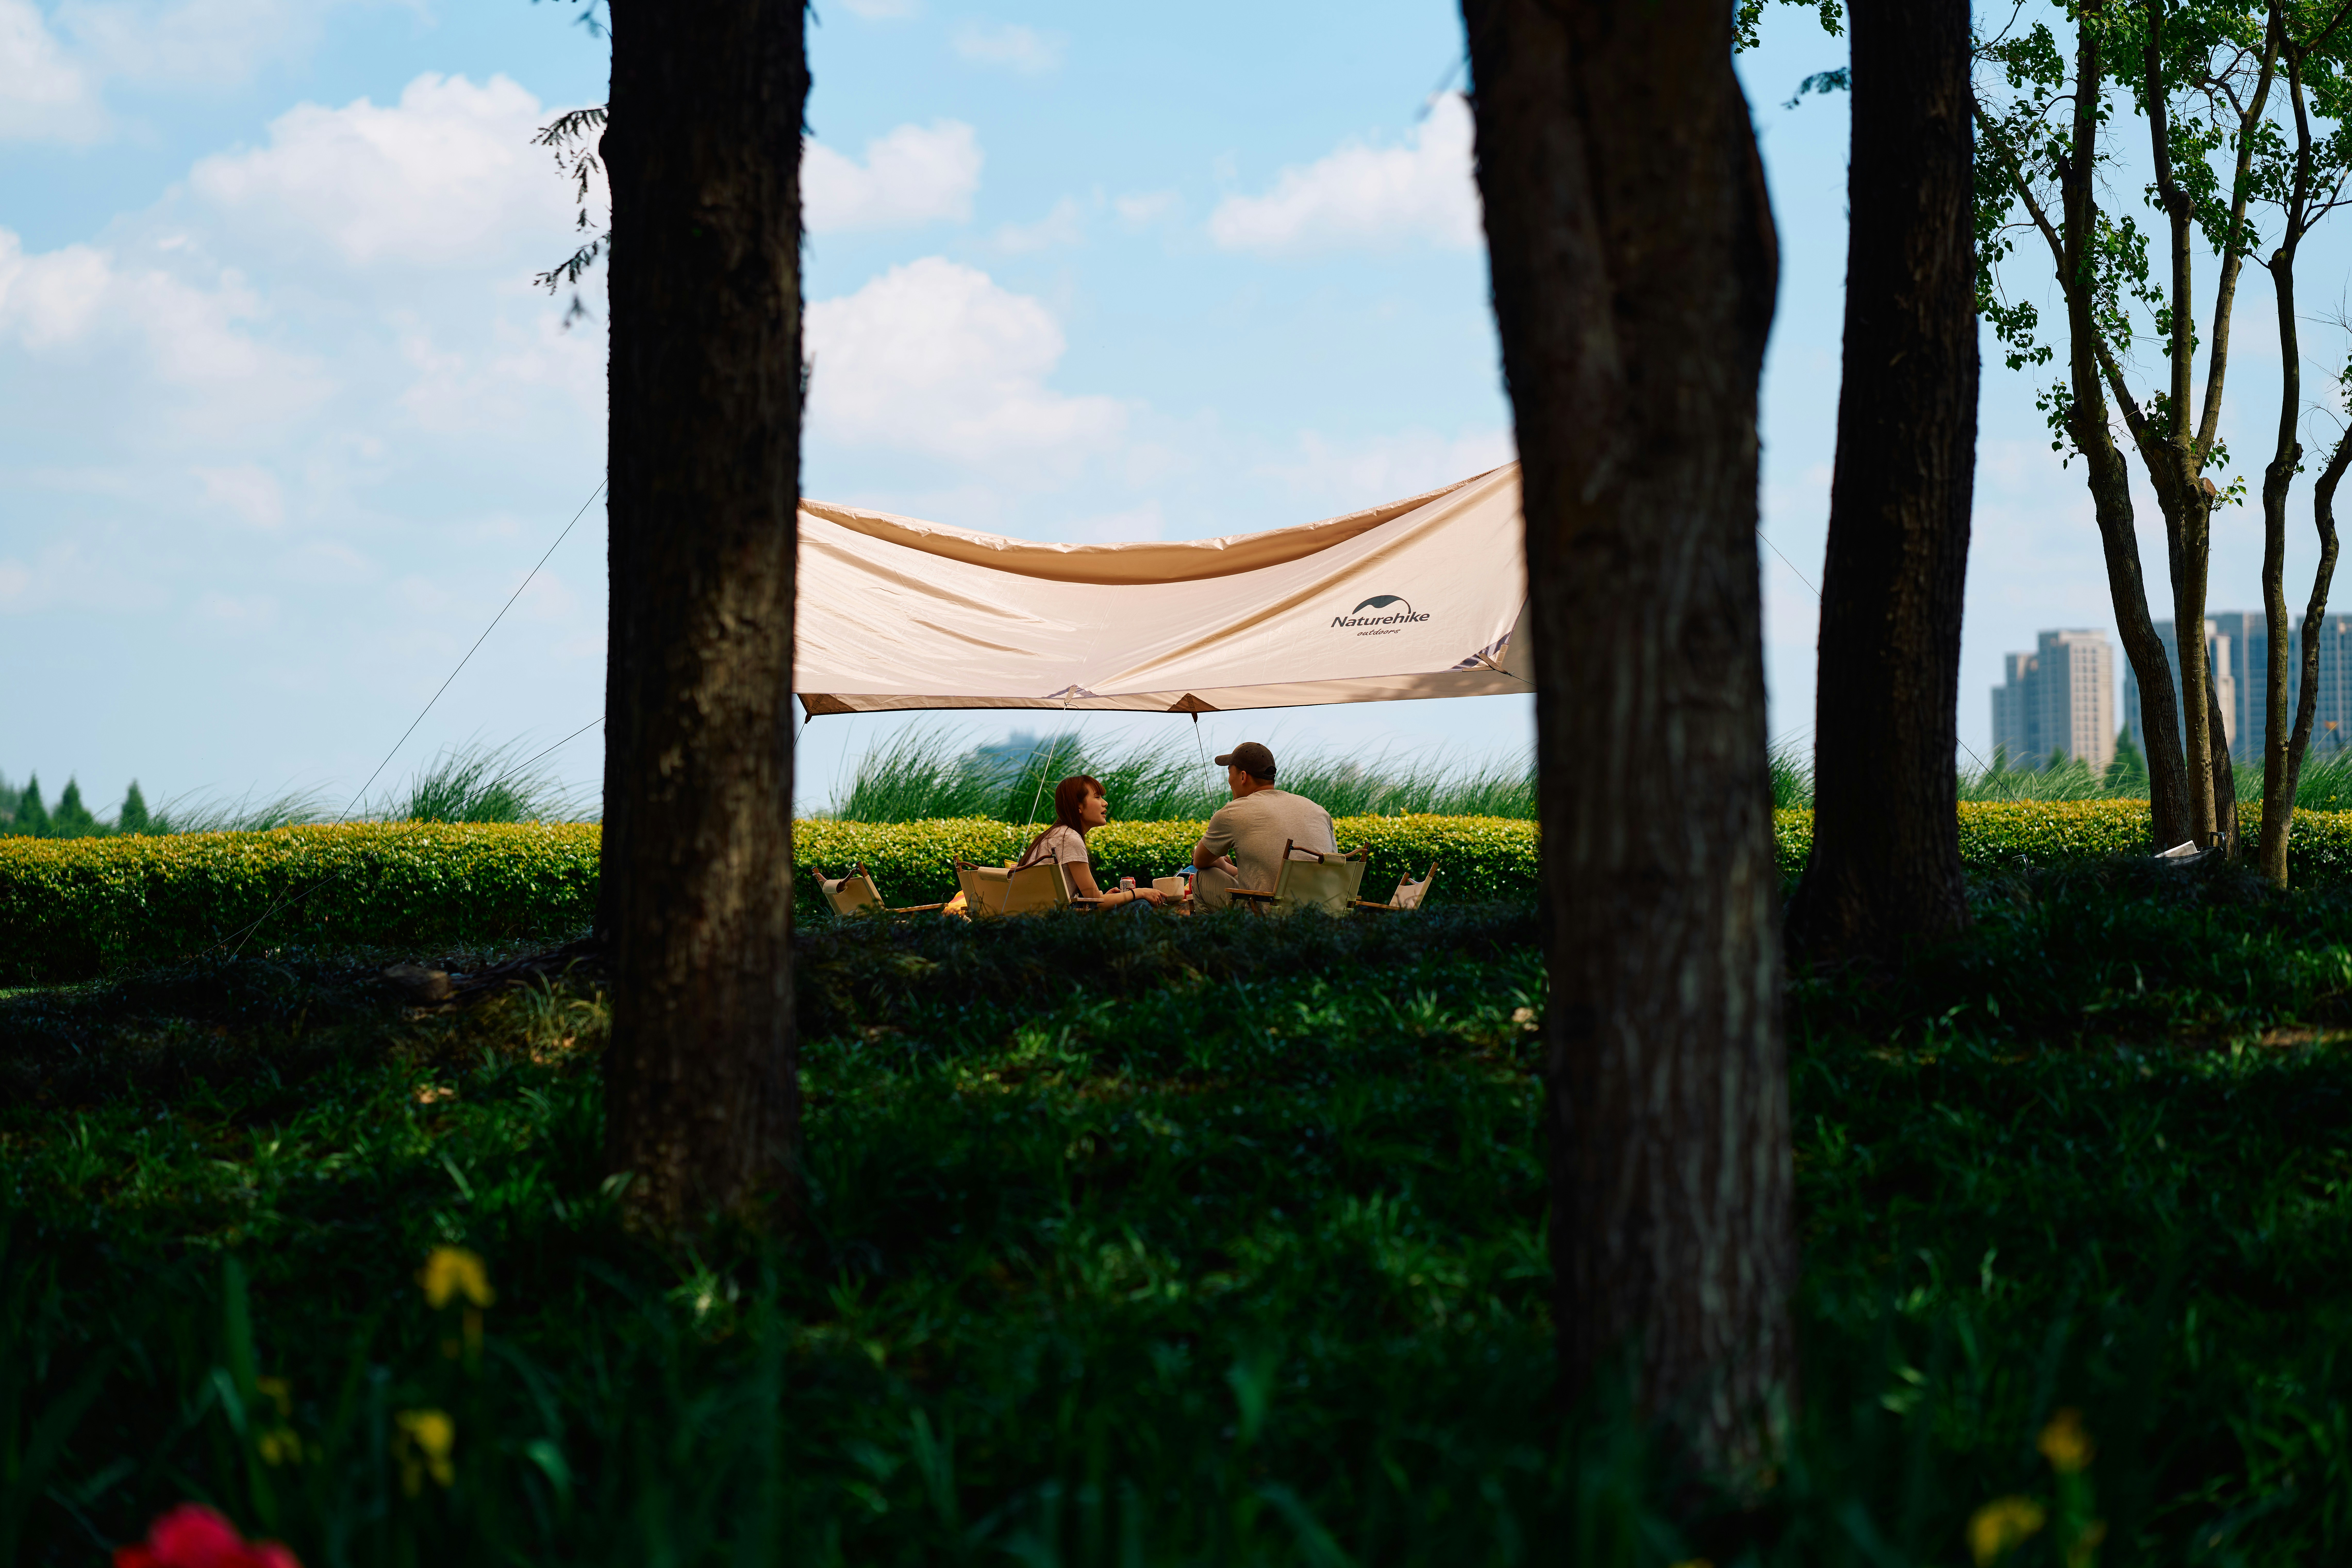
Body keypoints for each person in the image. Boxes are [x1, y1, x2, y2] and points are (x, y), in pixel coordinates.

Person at [1191, 742, 1336, 909]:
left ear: (1243, 777)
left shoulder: (1233, 812)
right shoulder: (1319, 811)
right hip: (1320, 915)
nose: (1229, 781)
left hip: (1267, 915)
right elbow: (1330, 868)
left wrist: (1221, 864)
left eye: (1230, 773)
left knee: (1202, 877)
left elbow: (1200, 862)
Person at [1013, 774, 1171, 908]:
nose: (1105, 803)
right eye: (1097, 797)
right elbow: (1097, 903)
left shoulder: (1056, 834)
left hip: (1035, 920)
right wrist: (1140, 893)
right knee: (1140, 906)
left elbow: (1093, 899)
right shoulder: (1069, 838)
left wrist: (1105, 898)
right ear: (1079, 806)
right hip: (1054, 924)